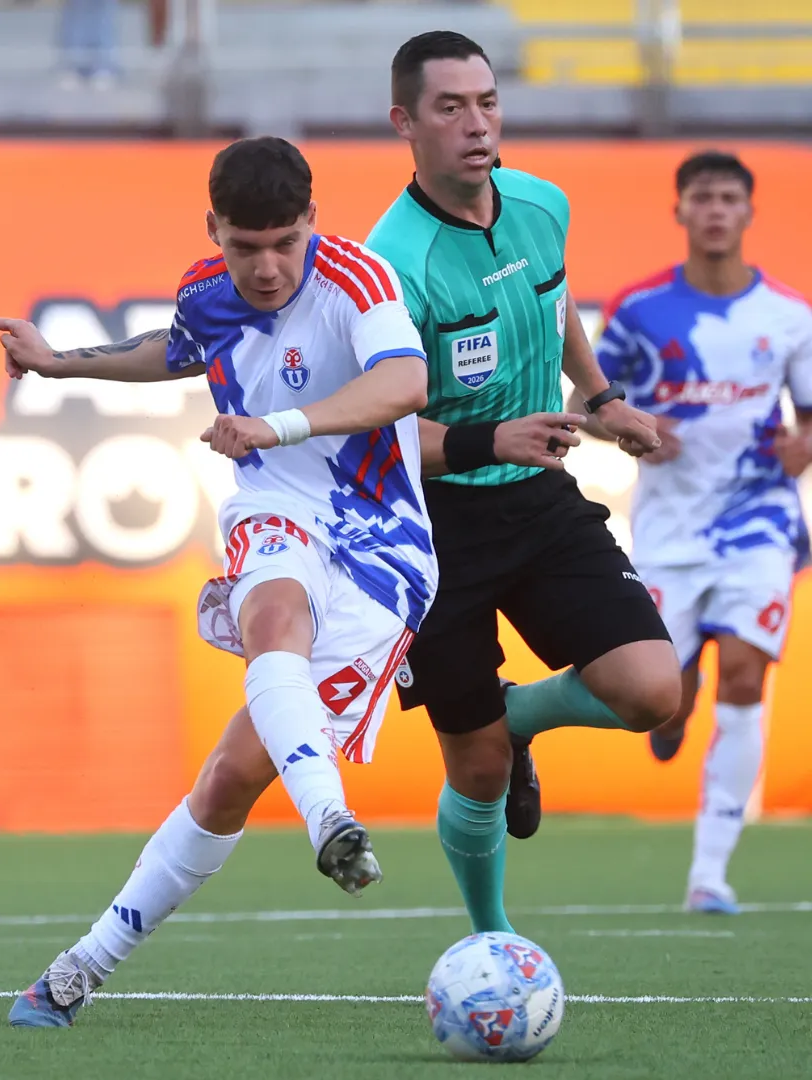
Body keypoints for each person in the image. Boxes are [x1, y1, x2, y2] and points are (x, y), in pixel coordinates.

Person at [0, 136, 435, 1027]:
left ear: (313, 220)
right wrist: (58, 362)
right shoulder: (207, 289)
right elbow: (176, 348)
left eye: (283, 242)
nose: (266, 267)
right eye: (244, 245)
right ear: (214, 230)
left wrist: (278, 424)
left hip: (384, 549)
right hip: (276, 511)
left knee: (231, 777)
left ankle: (81, 963)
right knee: (272, 617)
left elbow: (407, 381)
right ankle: (329, 824)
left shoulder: (360, 281)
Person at [364, 30, 681, 937]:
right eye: (450, 107)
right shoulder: (392, 269)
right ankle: (493, 939)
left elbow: (554, 297)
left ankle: (520, 715)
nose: (476, 124)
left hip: (539, 502)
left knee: (656, 692)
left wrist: (601, 393)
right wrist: (489, 434)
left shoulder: (544, 204)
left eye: (488, 102)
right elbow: (378, 438)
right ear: (405, 122)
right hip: (432, 528)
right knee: (476, 771)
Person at [593, 150, 812, 915]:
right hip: (669, 531)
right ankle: (672, 713)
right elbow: (593, 401)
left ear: (749, 213)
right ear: (679, 211)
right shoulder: (638, 312)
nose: (715, 211)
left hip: (759, 519)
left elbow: (809, 414)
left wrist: (803, 443)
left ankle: (710, 873)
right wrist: (632, 430)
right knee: (660, 698)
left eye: (728, 198)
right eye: (701, 198)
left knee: (748, 676)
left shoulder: (788, 316)